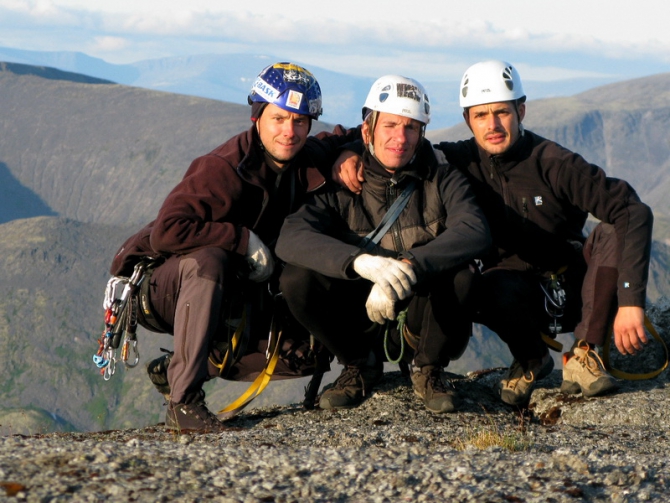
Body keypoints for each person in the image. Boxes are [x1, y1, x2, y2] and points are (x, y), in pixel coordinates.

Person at [335, 60, 654, 406]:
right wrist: (348, 151)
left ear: (521, 110)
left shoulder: (554, 163)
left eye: (502, 112)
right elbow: (396, 141)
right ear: (468, 119)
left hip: (575, 285)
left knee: (609, 231)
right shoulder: (456, 160)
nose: (493, 125)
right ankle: (531, 360)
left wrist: (630, 301)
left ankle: (585, 355)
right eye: (480, 115)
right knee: (477, 282)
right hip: (509, 293)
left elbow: (631, 210)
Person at [108, 62, 349, 432]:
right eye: (279, 119)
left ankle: (187, 366)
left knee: (305, 355)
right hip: (164, 286)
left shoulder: (305, 157)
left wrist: (351, 154)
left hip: (233, 285)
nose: (290, 131)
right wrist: (240, 239)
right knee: (210, 259)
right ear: (258, 117)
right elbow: (167, 232)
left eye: (300, 121)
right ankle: (183, 402)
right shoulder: (223, 168)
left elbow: (341, 138)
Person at [276, 75, 491, 413]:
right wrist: (360, 262)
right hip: (359, 317)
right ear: (368, 130)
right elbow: (292, 236)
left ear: (422, 134)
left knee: (463, 275)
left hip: (419, 314)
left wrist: (409, 265)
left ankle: (429, 369)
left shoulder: (442, 177)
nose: (400, 138)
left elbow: (474, 229)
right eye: (390, 125)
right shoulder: (341, 184)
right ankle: (359, 365)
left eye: (411, 127)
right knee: (296, 279)